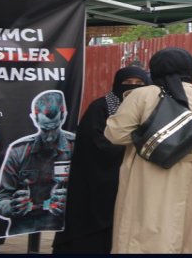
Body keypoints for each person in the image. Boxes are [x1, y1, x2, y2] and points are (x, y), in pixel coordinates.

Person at [104, 48, 192, 253]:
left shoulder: (140, 96)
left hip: (150, 173)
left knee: (149, 234)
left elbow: (116, 134)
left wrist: (151, 136)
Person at [51, 66, 149, 254]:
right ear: (117, 84)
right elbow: (93, 143)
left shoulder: (149, 110)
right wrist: (130, 148)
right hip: (98, 181)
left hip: (133, 181)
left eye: (139, 84)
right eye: (127, 83)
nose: (133, 87)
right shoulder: (100, 108)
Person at [0, 90, 75, 235]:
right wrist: (12, 207)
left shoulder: (75, 146)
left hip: (64, 223)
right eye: (44, 129)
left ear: (63, 117)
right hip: (25, 224)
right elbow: (1, 199)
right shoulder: (19, 151)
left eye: (54, 128)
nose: (49, 137)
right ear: (34, 119)